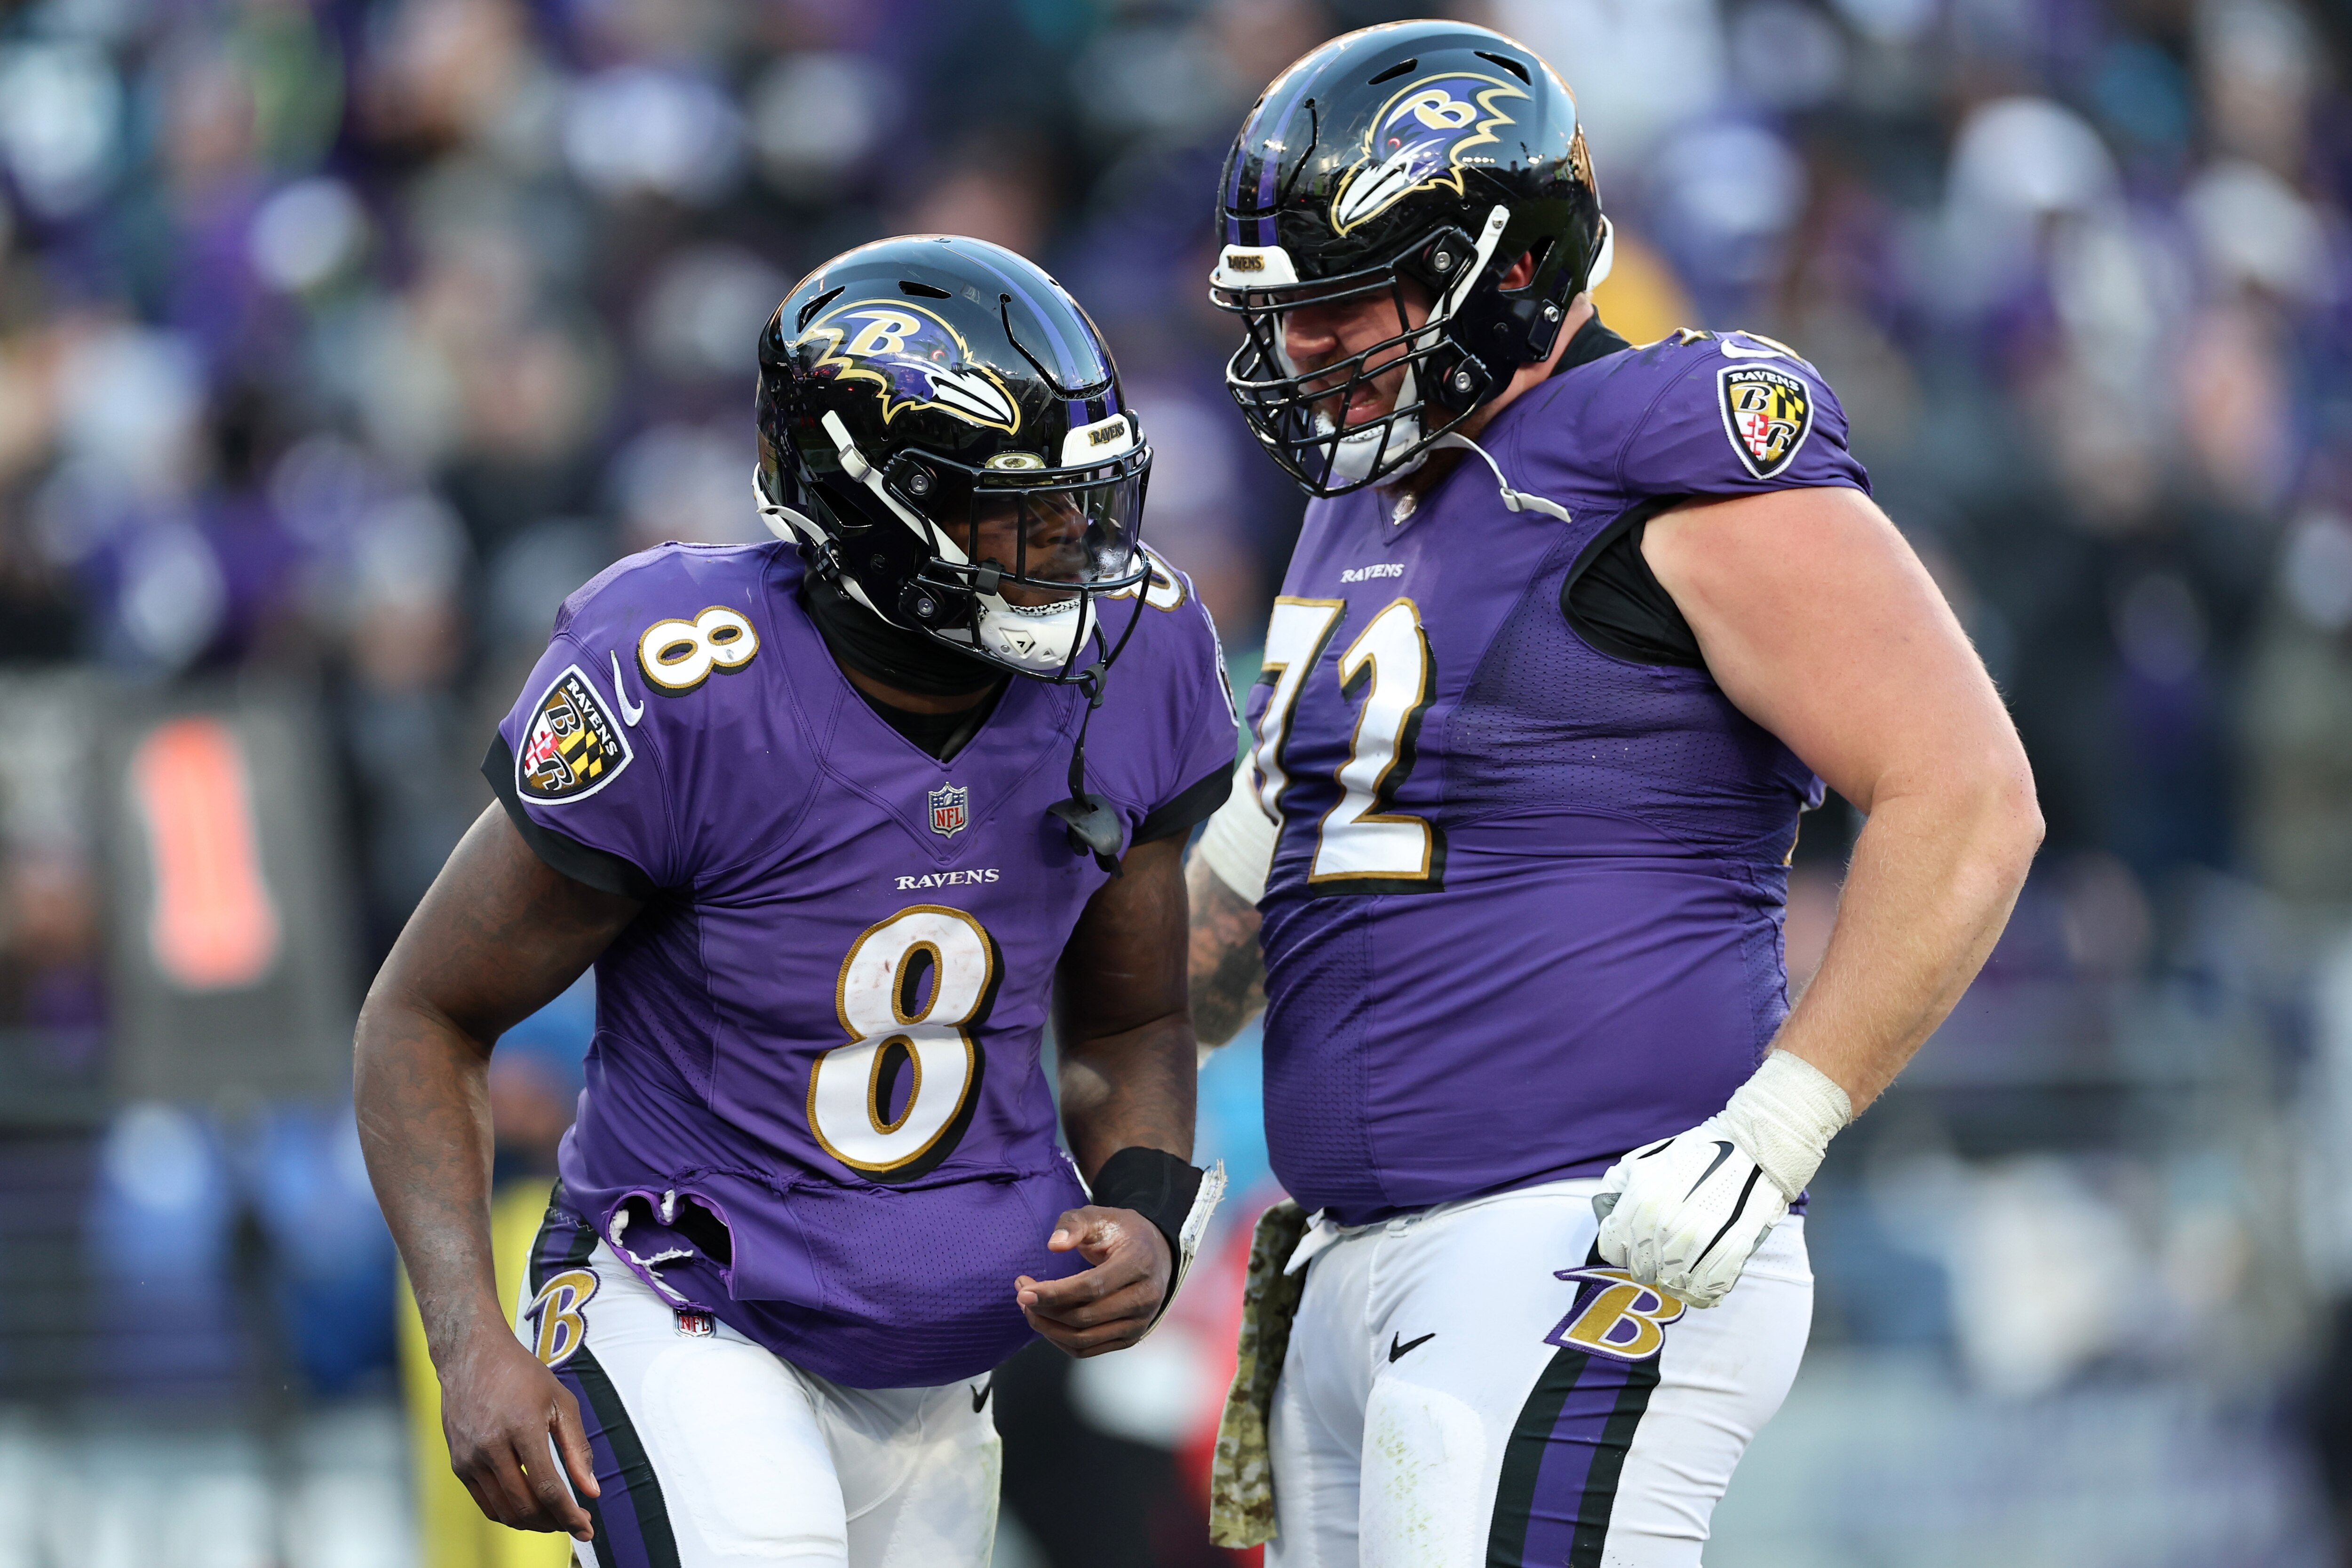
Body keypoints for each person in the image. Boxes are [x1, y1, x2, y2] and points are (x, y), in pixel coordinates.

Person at [1186, 23, 2042, 1567]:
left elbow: (1967, 792)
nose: (1301, 346)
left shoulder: (1660, 444)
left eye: (1340, 300)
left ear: (1507, 271)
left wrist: (1776, 1129)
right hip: (1345, 1264)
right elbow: (1227, 933)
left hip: (1577, 1236)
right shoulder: (1357, 505)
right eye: (1280, 307)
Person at [355, 234, 1240, 1568]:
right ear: (868, 510)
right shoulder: (684, 680)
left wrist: (1149, 1211)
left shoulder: (1138, 656)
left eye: (1083, 504)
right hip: (689, 1300)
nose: (1073, 548)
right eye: (1018, 512)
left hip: (943, 1361)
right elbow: (424, 1015)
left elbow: (1132, 1025)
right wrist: (470, 1339)